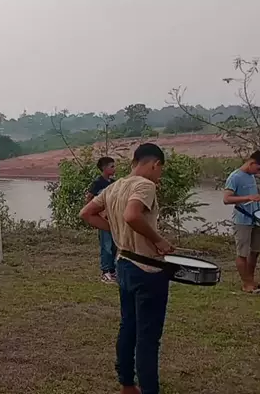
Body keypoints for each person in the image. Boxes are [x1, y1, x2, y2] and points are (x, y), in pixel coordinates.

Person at [79, 143, 174, 394]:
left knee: (128, 326)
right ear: (155, 164)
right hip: (147, 268)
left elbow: (86, 213)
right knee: (147, 337)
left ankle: (127, 384)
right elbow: (132, 216)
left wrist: (116, 230)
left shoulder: (114, 186)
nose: (159, 175)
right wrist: (158, 240)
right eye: (160, 170)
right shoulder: (145, 185)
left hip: (123, 263)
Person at [222, 151, 260, 294]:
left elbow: (254, 190)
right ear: (252, 163)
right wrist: (248, 198)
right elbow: (226, 199)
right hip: (242, 221)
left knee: (255, 251)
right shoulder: (235, 177)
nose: (259, 172)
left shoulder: (250, 176)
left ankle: (251, 280)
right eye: (259, 168)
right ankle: (246, 284)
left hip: (255, 219)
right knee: (243, 254)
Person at [86, 156, 118, 283]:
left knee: (114, 246)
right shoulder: (98, 183)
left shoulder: (114, 183)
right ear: (104, 168)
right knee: (106, 246)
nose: (114, 169)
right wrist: (95, 214)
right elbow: (89, 198)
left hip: (113, 219)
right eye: (112, 166)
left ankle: (112, 270)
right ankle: (105, 272)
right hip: (102, 219)